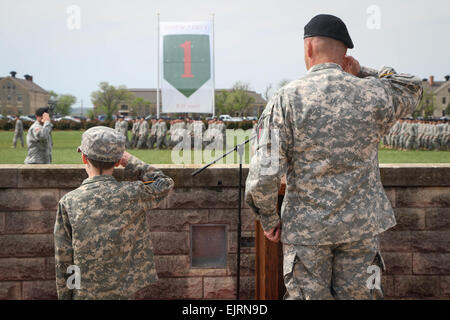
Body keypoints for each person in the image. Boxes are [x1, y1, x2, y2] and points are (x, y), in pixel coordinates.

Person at [245, 14, 423, 300]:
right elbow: (412, 87)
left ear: (308, 48)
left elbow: (264, 172)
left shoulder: (286, 98)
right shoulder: (371, 93)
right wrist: (362, 70)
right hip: (361, 228)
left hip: (307, 232)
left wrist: (268, 218)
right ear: (345, 54)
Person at [54, 126, 174, 299]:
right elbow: (164, 183)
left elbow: (63, 259)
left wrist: (66, 296)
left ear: (83, 157)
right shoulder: (133, 194)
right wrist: (130, 161)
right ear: (118, 162)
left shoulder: (69, 201)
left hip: (84, 294)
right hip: (123, 293)